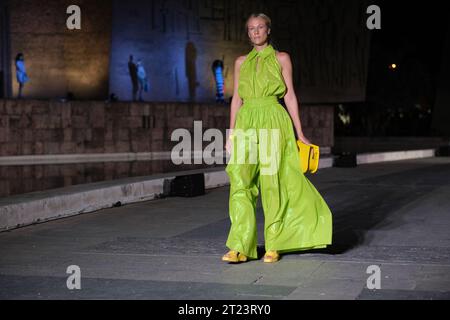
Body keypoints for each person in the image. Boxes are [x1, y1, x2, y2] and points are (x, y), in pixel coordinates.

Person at [223, 13, 332, 263]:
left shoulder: (282, 58)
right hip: (247, 120)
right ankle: (240, 246)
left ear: (268, 30)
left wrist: (300, 133)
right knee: (240, 181)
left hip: (274, 117)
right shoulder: (241, 62)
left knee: (274, 183)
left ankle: (274, 243)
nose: (256, 32)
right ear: (248, 33)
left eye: (260, 27)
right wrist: (231, 133)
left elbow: (290, 96)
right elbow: (236, 99)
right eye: (251, 29)